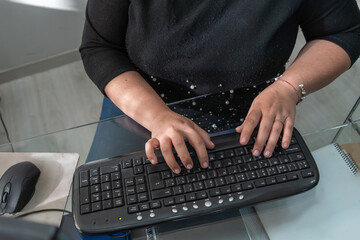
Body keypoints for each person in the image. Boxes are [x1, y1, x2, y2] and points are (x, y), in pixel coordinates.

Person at [80, 0, 360, 174]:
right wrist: (157, 117)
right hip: (143, 104)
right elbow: (100, 47)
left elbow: (344, 31)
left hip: (249, 115)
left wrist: (288, 87)